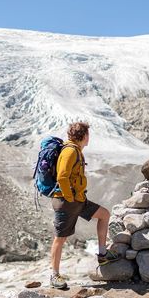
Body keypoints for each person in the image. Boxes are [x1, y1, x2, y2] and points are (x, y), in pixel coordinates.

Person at [49, 121, 120, 289]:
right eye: (88, 134)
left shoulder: (75, 150)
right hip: (67, 201)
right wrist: (69, 197)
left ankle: (102, 254)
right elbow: (62, 177)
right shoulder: (70, 151)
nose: (89, 138)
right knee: (60, 238)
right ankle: (54, 275)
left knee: (104, 214)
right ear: (84, 136)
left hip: (78, 199)